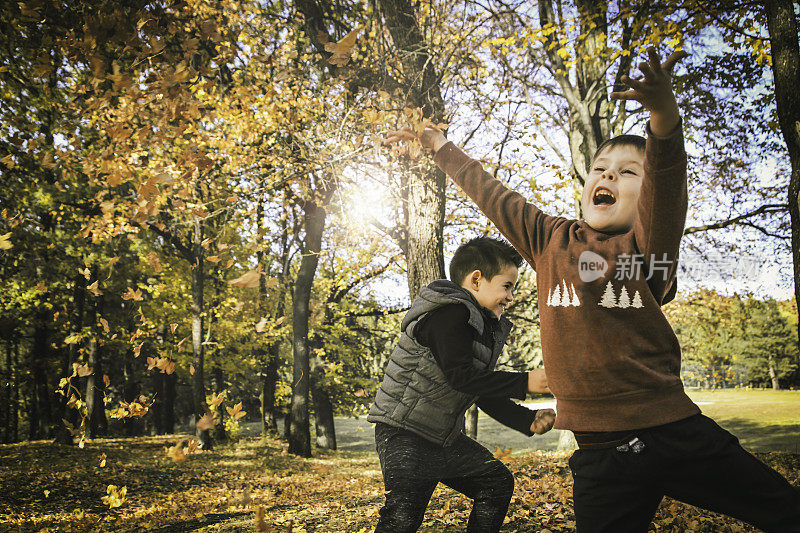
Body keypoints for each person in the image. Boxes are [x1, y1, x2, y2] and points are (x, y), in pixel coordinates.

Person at [384, 47, 800, 532]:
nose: (608, 175)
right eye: (602, 168)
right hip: (600, 457)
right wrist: (439, 146)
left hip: (673, 433)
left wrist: (663, 117)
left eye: (628, 173)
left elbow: (665, 186)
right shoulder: (549, 238)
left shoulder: (648, 249)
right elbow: (492, 194)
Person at [366, 236, 556, 533]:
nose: (510, 297)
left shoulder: (476, 324)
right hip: (404, 435)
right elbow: (461, 378)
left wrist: (526, 420)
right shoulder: (448, 313)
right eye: (507, 286)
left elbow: (476, 388)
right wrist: (526, 381)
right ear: (476, 280)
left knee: (495, 482)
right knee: (401, 521)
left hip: (441, 437)